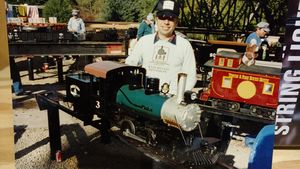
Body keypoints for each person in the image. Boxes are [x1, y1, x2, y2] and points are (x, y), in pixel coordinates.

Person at [125, 0, 197, 95]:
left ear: (176, 22)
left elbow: (191, 76)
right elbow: (130, 64)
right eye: (162, 17)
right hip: (145, 96)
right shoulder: (144, 41)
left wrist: (179, 98)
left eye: (171, 18)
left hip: (170, 101)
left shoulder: (184, 45)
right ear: (156, 19)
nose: (166, 22)